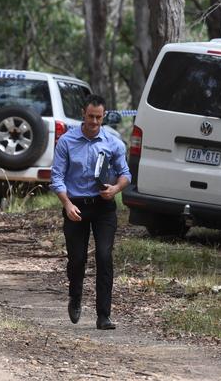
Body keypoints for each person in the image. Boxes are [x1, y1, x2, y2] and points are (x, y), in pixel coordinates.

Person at [50, 94, 131, 330]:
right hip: (75, 205)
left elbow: (125, 173)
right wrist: (66, 204)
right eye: (90, 117)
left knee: (104, 257)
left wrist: (115, 188)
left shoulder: (114, 143)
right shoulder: (66, 141)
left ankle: (103, 315)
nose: (94, 122)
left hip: (104, 206)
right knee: (77, 259)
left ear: (103, 116)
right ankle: (75, 296)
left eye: (99, 117)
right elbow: (56, 177)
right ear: (83, 114)